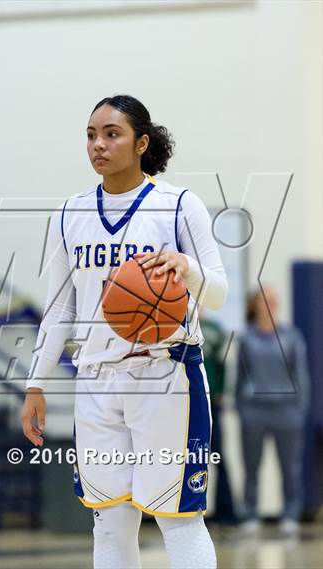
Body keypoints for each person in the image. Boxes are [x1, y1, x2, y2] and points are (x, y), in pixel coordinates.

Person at [22, 95, 228, 569]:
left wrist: (187, 267)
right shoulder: (69, 214)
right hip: (95, 379)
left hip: (165, 374)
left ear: (141, 143)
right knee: (109, 520)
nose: (98, 144)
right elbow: (58, 310)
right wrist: (35, 383)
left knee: (178, 517)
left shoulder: (178, 205)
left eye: (111, 134)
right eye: (91, 135)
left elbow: (217, 292)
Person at [235, 286, 310, 537]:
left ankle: (290, 513)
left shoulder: (292, 337)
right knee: (251, 466)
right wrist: (242, 410)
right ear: (255, 304)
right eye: (264, 298)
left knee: (290, 467)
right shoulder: (246, 338)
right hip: (254, 412)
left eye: (273, 298)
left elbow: (301, 376)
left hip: (286, 413)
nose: (269, 303)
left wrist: (300, 411)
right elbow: (240, 378)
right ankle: (250, 514)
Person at [200, 312, 235, 524]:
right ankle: (192, 510)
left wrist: (221, 390)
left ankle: (226, 511)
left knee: (218, 456)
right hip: (187, 403)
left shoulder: (214, 329)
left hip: (211, 402)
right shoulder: (176, 325)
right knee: (192, 458)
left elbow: (223, 363)